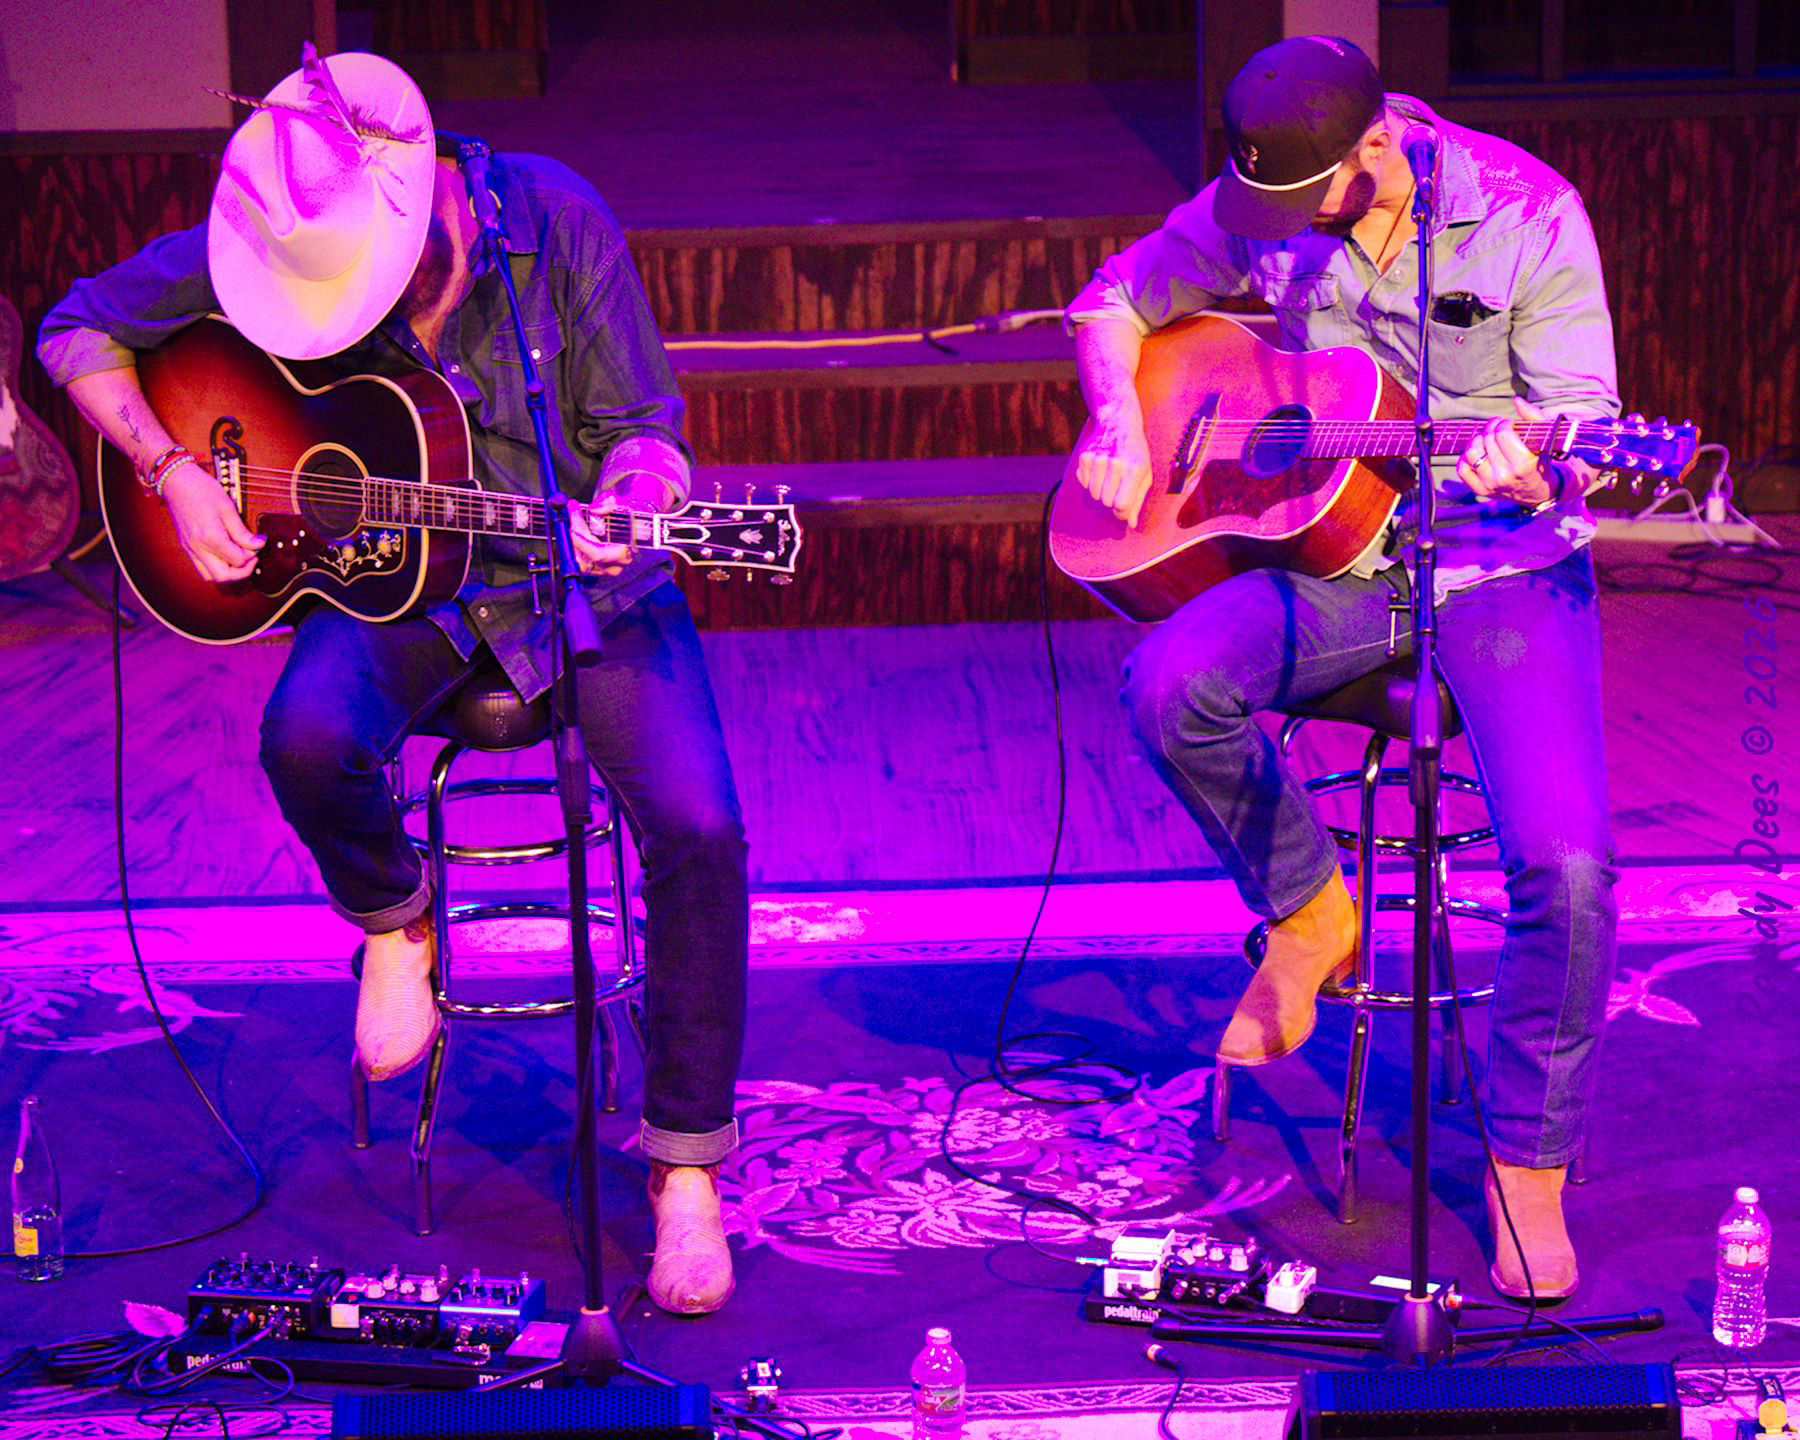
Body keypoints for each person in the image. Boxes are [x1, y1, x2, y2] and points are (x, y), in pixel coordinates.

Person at [37, 48, 745, 1315]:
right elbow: (73, 329)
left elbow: (645, 432)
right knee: (303, 738)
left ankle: (684, 1169)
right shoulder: (272, 238)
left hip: (579, 584)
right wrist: (170, 470)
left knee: (700, 825)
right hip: (398, 590)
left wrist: (633, 502)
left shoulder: (557, 220)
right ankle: (393, 916)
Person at [1066, 34, 1620, 1300]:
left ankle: (1527, 1167)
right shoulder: (1271, 195)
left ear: (1378, 147)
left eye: (1301, 200)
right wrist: (1117, 414)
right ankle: (1313, 907)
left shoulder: (1528, 214)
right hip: (1341, 563)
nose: (1277, 228)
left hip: (1502, 569)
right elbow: (1112, 300)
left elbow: (1584, 424)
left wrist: (1539, 468)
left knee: (1571, 869)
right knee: (1166, 683)